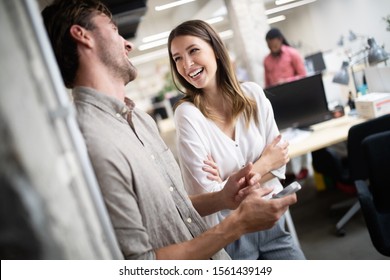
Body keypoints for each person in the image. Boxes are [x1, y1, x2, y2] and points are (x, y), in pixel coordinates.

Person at [41, 0, 298, 260]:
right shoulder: (89, 140)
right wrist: (238, 223)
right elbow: (140, 264)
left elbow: (178, 207)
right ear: (82, 35)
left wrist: (222, 197)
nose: (127, 43)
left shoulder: (140, 120)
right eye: (114, 30)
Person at [168, 20, 305, 260]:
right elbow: (210, 194)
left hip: (272, 221)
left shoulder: (253, 94)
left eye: (193, 51)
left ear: (216, 51)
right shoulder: (187, 114)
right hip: (229, 236)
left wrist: (228, 181)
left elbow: (281, 163)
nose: (186, 64)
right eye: (177, 58)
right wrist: (264, 163)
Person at [263, 27, 308, 182]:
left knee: (301, 134)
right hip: (279, 103)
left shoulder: (292, 53)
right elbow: (267, 83)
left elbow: (303, 76)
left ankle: (304, 167)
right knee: (281, 137)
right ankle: (287, 171)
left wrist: (286, 82)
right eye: (269, 46)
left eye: (273, 44)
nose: (271, 48)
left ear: (280, 40)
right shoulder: (266, 60)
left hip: (295, 99)